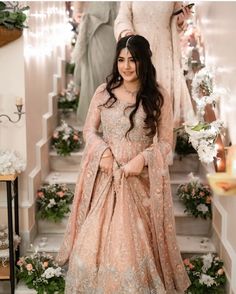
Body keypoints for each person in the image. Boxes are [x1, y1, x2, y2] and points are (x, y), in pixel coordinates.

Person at [56, 35, 191, 293]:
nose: (126, 66)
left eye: (133, 60)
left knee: (131, 245)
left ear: (144, 61)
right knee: (93, 241)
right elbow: (88, 131)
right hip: (105, 178)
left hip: (139, 181)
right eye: (121, 60)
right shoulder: (103, 91)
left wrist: (143, 159)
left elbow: (165, 143)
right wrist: (103, 152)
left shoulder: (159, 95)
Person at [114, 2, 195, 127]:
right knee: (138, 96)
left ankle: (165, 142)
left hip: (164, 54)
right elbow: (122, 17)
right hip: (138, 50)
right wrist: (127, 35)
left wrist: (180, 21)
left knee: (163, 97)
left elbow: (175, 22)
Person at [72, 2, 118, 125]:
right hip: (95, 22)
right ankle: (93, 121)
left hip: (116, 20)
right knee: (95, 73)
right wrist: (77, 11)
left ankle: (111, 120)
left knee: (111, 73)